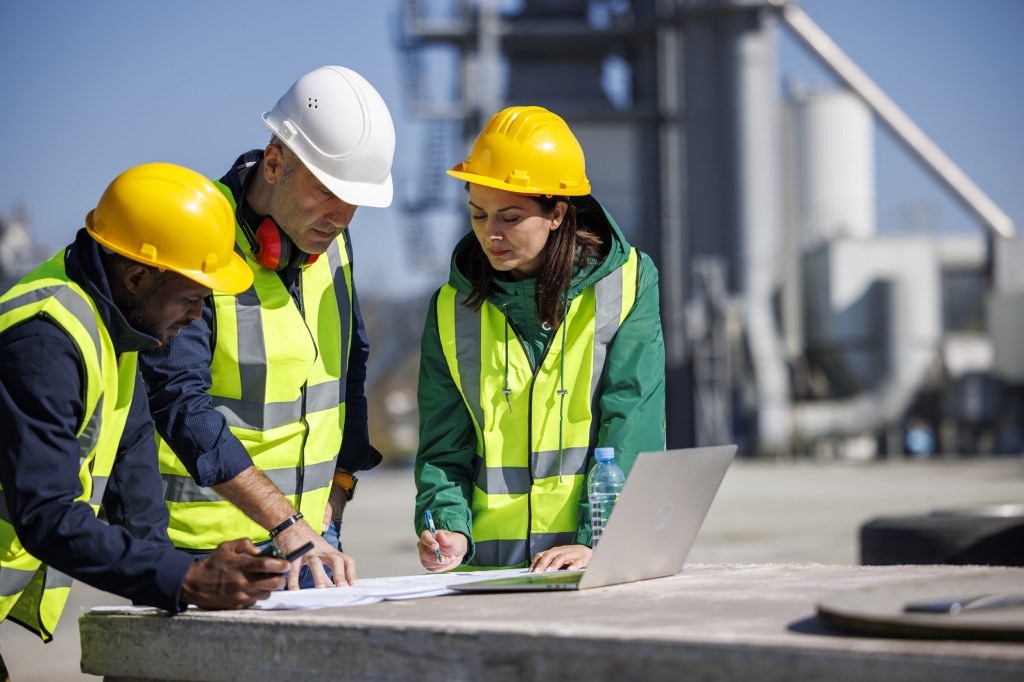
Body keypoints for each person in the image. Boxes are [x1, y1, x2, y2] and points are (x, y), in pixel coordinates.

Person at [0, 163, 289, 672]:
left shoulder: (118, 325)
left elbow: (135, 478)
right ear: (137, 277)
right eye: (192, 298)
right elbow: (47, 515)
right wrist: (187, 579)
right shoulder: (45, 340)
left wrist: (179, 576)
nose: (198, 317)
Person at [138, 66, 395, 589]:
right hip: (203, 549)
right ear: (275, 163)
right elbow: (177, 400)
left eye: (354, 201)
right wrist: (285, 521)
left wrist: (340, 488)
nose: (341, 215)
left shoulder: (334, 242)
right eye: (326, 190)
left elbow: (351, 373)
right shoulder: (197, 237)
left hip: (310, 542)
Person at [414, 106, 666, 573]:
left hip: (591, 566)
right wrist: (446, 526)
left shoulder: (628, 283)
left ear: (557, 213)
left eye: (510, 217)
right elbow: (443, 447)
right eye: (478, 213)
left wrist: (602, 541)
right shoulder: (450, 308)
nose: (491, 234)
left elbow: (632, 424)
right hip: (487, 574)